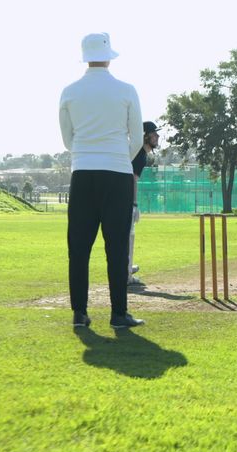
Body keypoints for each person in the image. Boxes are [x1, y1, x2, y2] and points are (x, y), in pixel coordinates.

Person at [60, 32, 144, 329]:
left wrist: (87, 154)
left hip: (82, 173)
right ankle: (119, 314)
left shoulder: (69, 91)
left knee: (79, 248)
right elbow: (137, 137)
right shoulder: (126, 90)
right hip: (117, 173)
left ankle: (79, 313)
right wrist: (119, 155)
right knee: (117, 247)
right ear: (108, 56)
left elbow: (68, 138)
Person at [128, 120, 160, 286]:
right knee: (128, 235)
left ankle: (126, 267)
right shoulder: (139, 155)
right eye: (153, 133)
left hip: (121, 198)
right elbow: (133, 179)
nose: (157, 136)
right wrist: (134, 204)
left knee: (129, 235)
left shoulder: (140, 153)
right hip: (123, 199)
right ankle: (126, 274)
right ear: (144, 136)